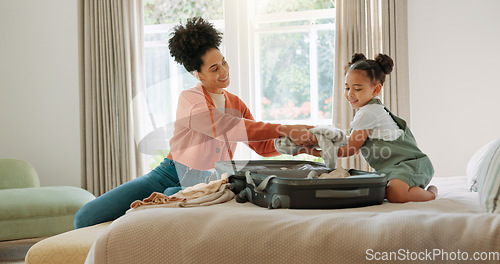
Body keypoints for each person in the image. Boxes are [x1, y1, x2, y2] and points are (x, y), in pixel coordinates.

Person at [74, 17, 317, 228]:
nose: (224, 71)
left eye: (224, 62)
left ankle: (165, 203)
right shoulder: (190, 99)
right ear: (197, 74)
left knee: (171, 198)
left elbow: (262, 146)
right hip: (168, 174)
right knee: (84, 218)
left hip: (210, 183)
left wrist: (299, 146)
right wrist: (285, 128)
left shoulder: (236, 103)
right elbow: (225, 127)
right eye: (214, 68)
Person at [303, 53, 437, 203]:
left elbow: (351, 149)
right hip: (390, 169)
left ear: (375, 90)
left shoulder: (369, 113)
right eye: (347, 88)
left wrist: (312, 152)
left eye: (357, 89)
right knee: (379, 191)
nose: (350, 94)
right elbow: (351, 141)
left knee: (395, 194)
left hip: (410, 165)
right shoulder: (369, 110)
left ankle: (432, 193)